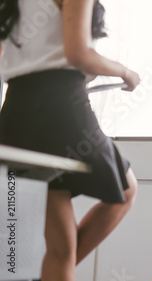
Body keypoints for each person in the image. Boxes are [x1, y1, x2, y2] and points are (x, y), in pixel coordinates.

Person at [0, 1, 141, 280]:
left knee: (61, 248)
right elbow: (78, 54)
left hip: (16, 111)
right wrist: (126, 72)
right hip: (62, 107)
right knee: (126, 190)